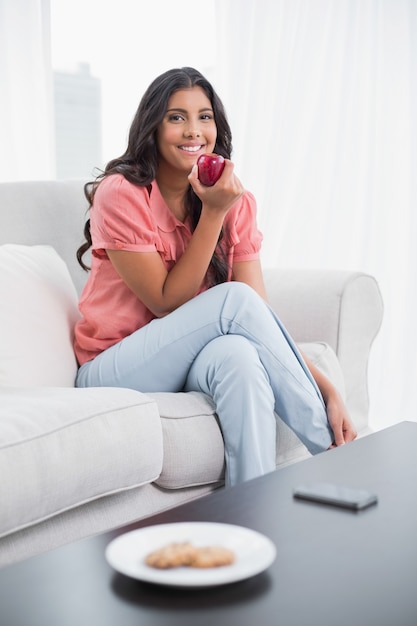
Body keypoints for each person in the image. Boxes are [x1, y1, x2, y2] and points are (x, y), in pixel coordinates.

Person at [74, 66, 356, 487]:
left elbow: (260, 324)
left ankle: (251, 526)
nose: (194, 131)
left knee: (240, 356)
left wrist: (328, 387)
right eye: (176, 117)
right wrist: (214, 213)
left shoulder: (237, 202)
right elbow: (166, 302)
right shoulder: (122, 193)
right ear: (152, 126)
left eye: (204, 116)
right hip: (112, 368)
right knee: (233, 301)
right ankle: (343, 461)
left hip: (184, 360)